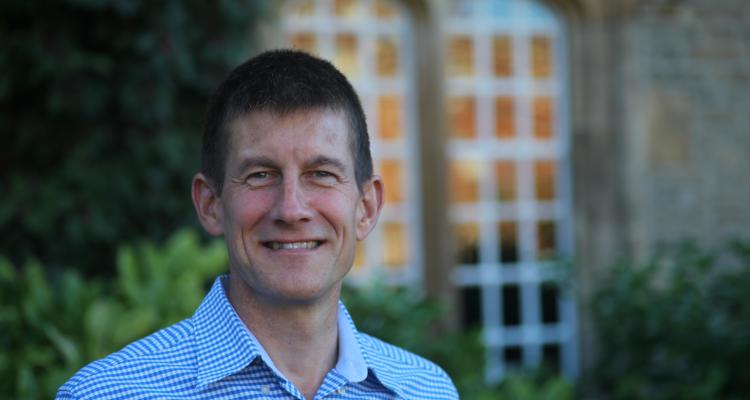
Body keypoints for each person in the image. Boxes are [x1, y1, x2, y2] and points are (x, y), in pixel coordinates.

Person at [56, 49, 458, 400]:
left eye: (321, 174)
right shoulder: (110, 394)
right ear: (211, 204)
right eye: (260, 175)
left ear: (366, 207)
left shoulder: (426, 390)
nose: (291, 209)